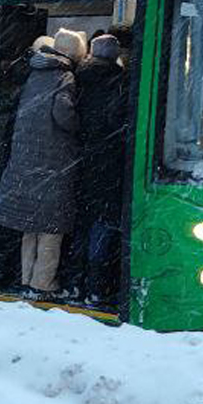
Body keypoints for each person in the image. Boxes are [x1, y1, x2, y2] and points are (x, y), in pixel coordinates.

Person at [0, 29, 86, 295]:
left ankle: (26, 277)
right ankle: (43, 282)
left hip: (26, 159)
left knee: (30, 226)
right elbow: (62, 113)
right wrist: (78, 126)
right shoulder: (64, 75)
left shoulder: (35, 73)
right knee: (50, 228)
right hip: (51, 161)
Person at [75, 33, 131, 304]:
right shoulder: (119, 82)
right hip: (108, 162)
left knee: (84, 224)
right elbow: (115, 119)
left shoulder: (76, 77)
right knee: (104, 225)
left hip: (80, 161)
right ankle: (97, 286)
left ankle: (77, 282)